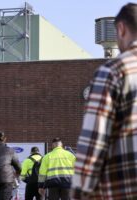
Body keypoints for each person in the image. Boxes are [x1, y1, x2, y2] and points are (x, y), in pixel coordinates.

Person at [72, 3, 137, 199]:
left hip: (122, 188)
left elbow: (94, 140)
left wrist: (80, 192)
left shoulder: (113, 71)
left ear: (121, 29)